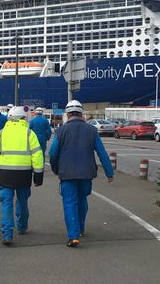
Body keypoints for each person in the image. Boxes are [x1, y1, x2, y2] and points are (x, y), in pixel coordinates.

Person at [49, 99, 114, 247]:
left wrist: (55, 168)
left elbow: (53, 153)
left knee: (69, 202)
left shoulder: (61, 131)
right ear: (81, 114)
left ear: (68, 114)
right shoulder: (92, 131)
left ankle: (73, 236)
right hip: (86, 173)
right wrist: (109, 173)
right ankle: (80, 228)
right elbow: (102, 153)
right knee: (82, 199)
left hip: (67, 173)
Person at [0, 106, 44, 246]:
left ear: (9, 118)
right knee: (22, 201)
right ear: (23, 118)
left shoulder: (1, 134)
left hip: (5, 174)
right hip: (24, 174)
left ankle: (7, 235)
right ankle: (22, 227)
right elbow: (37, 155)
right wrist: (38, 176)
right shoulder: (29, 133)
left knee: (6, 204)